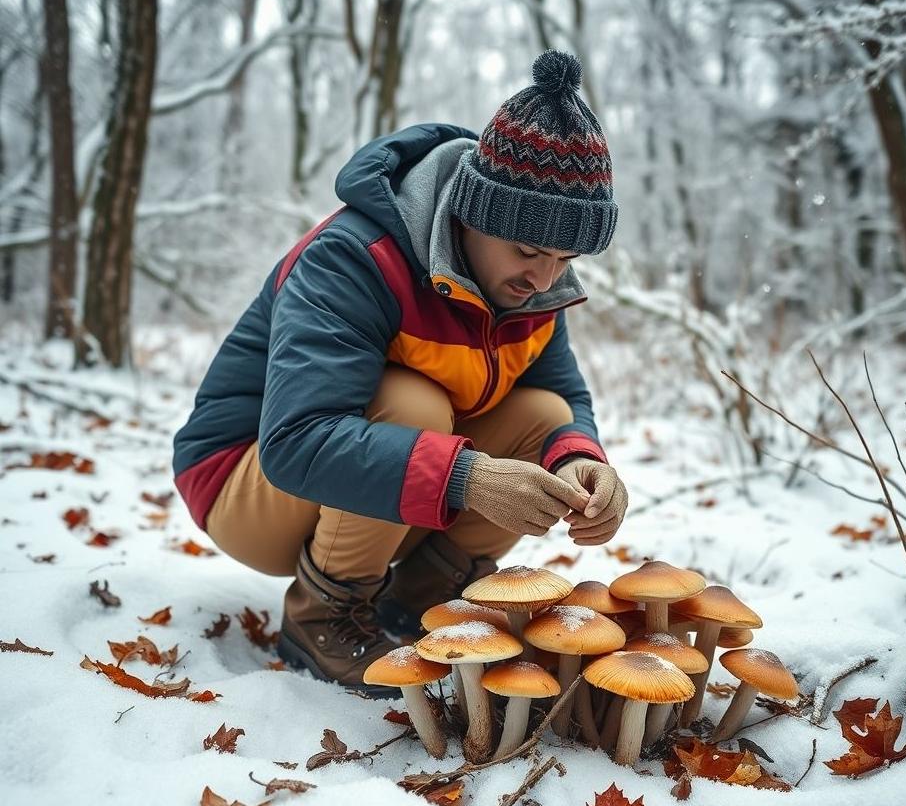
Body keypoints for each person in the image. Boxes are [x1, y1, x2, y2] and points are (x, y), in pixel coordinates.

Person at [172, 49, 629, 692]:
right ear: (474, 214)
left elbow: (562, 397)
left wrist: (581, 460)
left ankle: (421, 592)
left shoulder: (530, 287)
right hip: (242, 483)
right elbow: (295, 441)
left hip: (374, 498)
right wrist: (469, 476)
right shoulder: (356, 258)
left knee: (546, 420)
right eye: (528, 250)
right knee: (412, 403)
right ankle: (323, 613)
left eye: (565, 257)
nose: (544, 278)